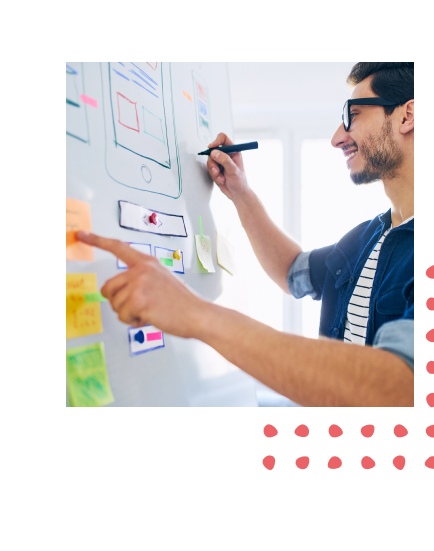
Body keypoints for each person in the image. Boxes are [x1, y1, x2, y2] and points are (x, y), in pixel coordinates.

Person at [77, 62, 414, 407]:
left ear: (407, 115)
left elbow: (399, 387)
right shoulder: (369, 237)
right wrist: (241, 193)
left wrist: (193, 312)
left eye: (353, 115)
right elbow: (292, 272)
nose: (337, 138)